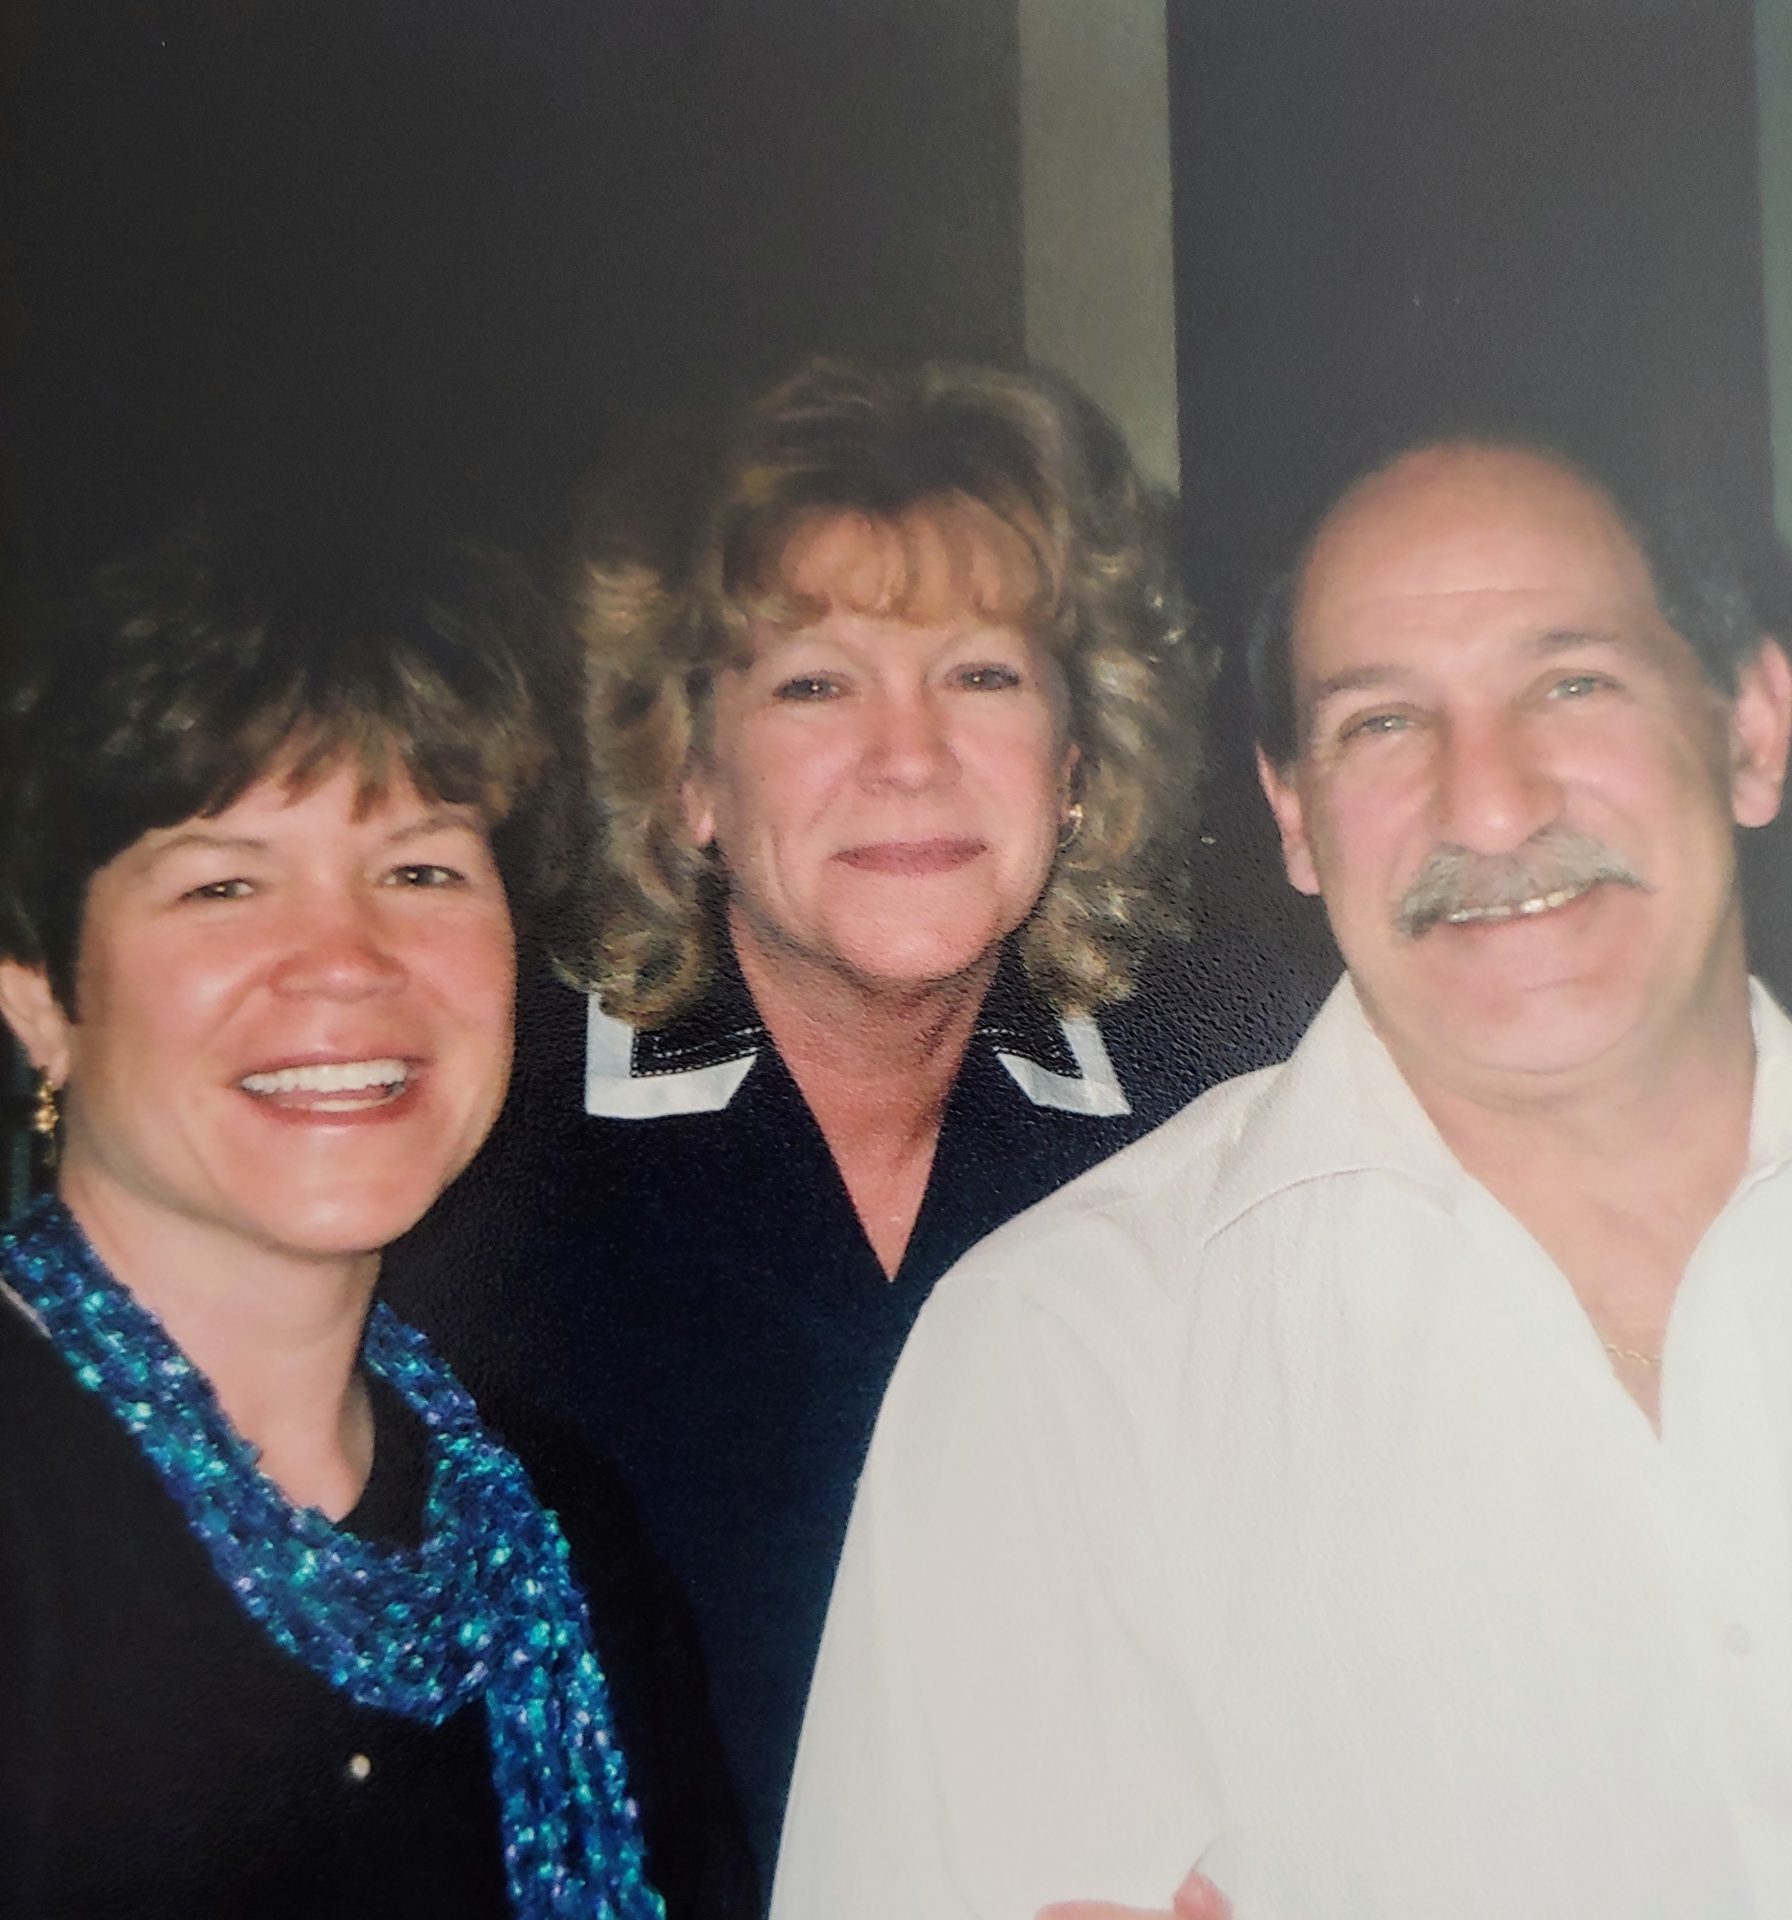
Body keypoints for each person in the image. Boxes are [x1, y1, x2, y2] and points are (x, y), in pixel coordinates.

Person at [774, 429, 1792, 1919]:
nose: (1491, 807)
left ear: (1753, 729)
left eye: (1572, 683)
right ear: (1297, 817)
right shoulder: (1070, 1361)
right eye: (1382, 723)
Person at [387, 358, 1314, 1883]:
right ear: (685, 772)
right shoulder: (484, 1145)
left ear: (1078, 764)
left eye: (984, 675)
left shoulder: (1229, 1100)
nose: (909, 752)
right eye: (814, 682)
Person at [0, 539, 754, 1918]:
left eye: (420, 871)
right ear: (41, 996)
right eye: (224, 881)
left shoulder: (565, 1538)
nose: (347, 959)